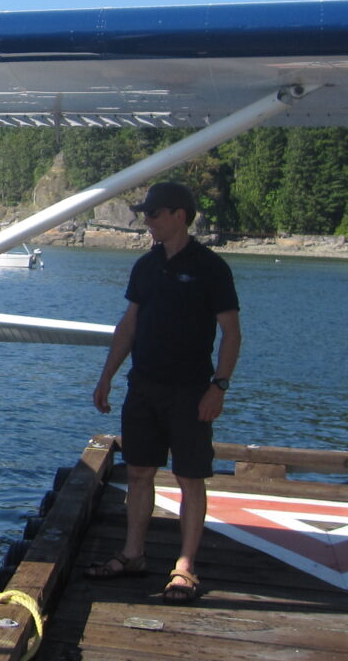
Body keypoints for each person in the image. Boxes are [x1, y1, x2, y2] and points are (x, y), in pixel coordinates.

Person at [89, 181, 241, 605]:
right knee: (138, 471)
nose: (147, 221)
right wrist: (106, 377)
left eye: (153, 214)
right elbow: (129, 324)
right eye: (145, 214)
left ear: (179, 215)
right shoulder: (145, 266)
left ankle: (185, 566)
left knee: (190, 478)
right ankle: (133, 554)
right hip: (144, 386)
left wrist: (219, 387)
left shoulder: (212, 268)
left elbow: (231, 334)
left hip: (192, 390)